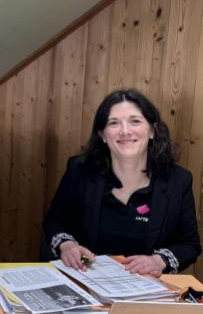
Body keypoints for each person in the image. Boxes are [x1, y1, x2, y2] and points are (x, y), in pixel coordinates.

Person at [43, 89, 201, 276]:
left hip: (147, 287)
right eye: (114, 123)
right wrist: (68, 246)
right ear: (102, 134)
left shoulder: (178, 181)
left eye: (135, 121)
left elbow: (189, 244)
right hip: (86, 277)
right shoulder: (80, 171)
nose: (125, 131)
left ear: (151, 130)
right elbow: (54, 221)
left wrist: (157, 261)